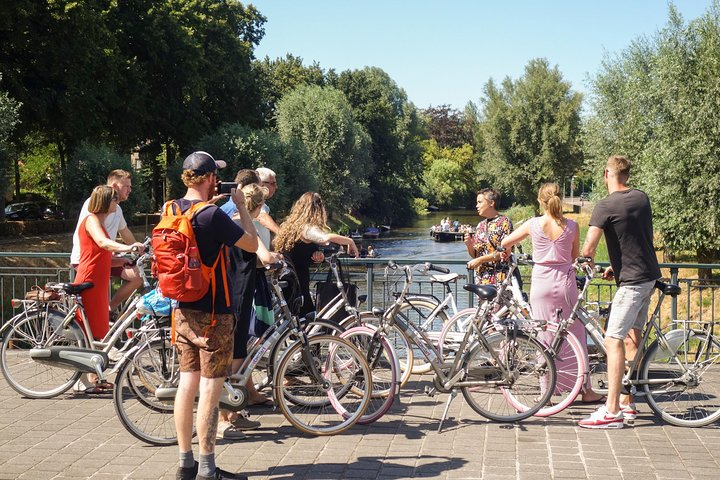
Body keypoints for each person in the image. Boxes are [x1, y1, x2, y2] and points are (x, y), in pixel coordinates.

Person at [172, 151, 258, 480]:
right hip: (214, 315)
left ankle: (186, 464)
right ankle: (208, 469)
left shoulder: (172, 209)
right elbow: (250, 244)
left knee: (186, 385)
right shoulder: (211, 215)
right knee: (210, 389)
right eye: (215, 176)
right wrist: (239, 206)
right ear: (210, 179)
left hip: (182, 312)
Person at [578, 155, 661, 429]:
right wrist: (618, 266)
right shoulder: (642, 198)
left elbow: (588, 248)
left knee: (612, 339)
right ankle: (628, 402)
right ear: (627, 174)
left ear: (607, 174)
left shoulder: (605, 205)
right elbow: (634, 237)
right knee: (631, 338)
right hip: (648, 276)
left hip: (633, 283)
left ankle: (611, 410)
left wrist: (583, 262)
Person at [501, 182, 604, 403]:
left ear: (541, 200)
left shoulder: (533, 224)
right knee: (575, 334)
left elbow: (505, 242)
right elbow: (574, 257)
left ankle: (545, 394)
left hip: (541, 284)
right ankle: (584, 390)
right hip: (565, 284)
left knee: (543, 337)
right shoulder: (572, 226)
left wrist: (507, 252)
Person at [218, 177, 281, 440]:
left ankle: (233, 412)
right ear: (257, 205)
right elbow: (262, 253)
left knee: (236, 354)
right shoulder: (243, 225)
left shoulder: (231, 222)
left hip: (234, 293)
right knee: (231, 356)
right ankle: (224, 419)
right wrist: (278, 258)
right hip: (238, 294)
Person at [74, 186, 145, 393]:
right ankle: (82, 382)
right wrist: (128, 247)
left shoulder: (100, 222)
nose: (117, 202)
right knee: (91, 334)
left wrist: (121, 259)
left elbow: (100, 253)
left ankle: (92, 378)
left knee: (96, 333)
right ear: (105, 201)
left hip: (98, 278)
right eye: (114, 199)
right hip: (90, 279)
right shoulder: (92, 220)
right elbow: (103, 243)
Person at [273, 192, 359, 318]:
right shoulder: (306, 228)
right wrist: (349, 241)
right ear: (317, 209)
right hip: (297, 285)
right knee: (305, 319)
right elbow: (325, 238)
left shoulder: (290, 226)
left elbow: (298, 252)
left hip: (287, 278)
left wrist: (318, 255)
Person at [71, 170, 143, 315]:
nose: (130, 190)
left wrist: (139, 249)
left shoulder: (117, 209)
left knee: (137, 277)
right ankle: (105, 313)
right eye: (127, 186)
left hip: (104, 257)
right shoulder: (92, 209)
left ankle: (110, 309)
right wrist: (129, 248)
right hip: (89, 260)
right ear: (115, 185)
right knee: (92, 308)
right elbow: (101, 240)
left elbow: (125, 232)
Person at [465, 188, 513, 284]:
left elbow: (504, 253)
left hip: (499, 278)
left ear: (491, 203)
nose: (476, 206)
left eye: (479, 202)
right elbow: (475, 255)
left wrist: (480, 260)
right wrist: (469, 245)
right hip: (482, 279)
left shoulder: (504, 222)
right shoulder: (480, 225)